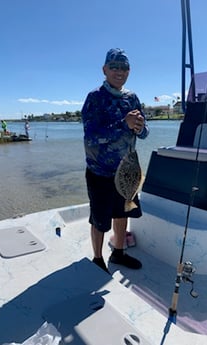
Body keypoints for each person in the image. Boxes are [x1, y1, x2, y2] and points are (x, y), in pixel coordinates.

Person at [81, 48, 149, 273]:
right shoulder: (95, 98)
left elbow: (144, 133)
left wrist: (139, 128)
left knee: (123, 212)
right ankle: (98, 259)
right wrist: (123, 124)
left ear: (129, 71)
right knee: (100, 218)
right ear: (105, 69)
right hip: (100, 171)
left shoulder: (133, 98)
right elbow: (91, 137)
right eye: (114, 67)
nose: (119, 72)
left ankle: (119, 253)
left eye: (124, 68)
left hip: (128, 171)